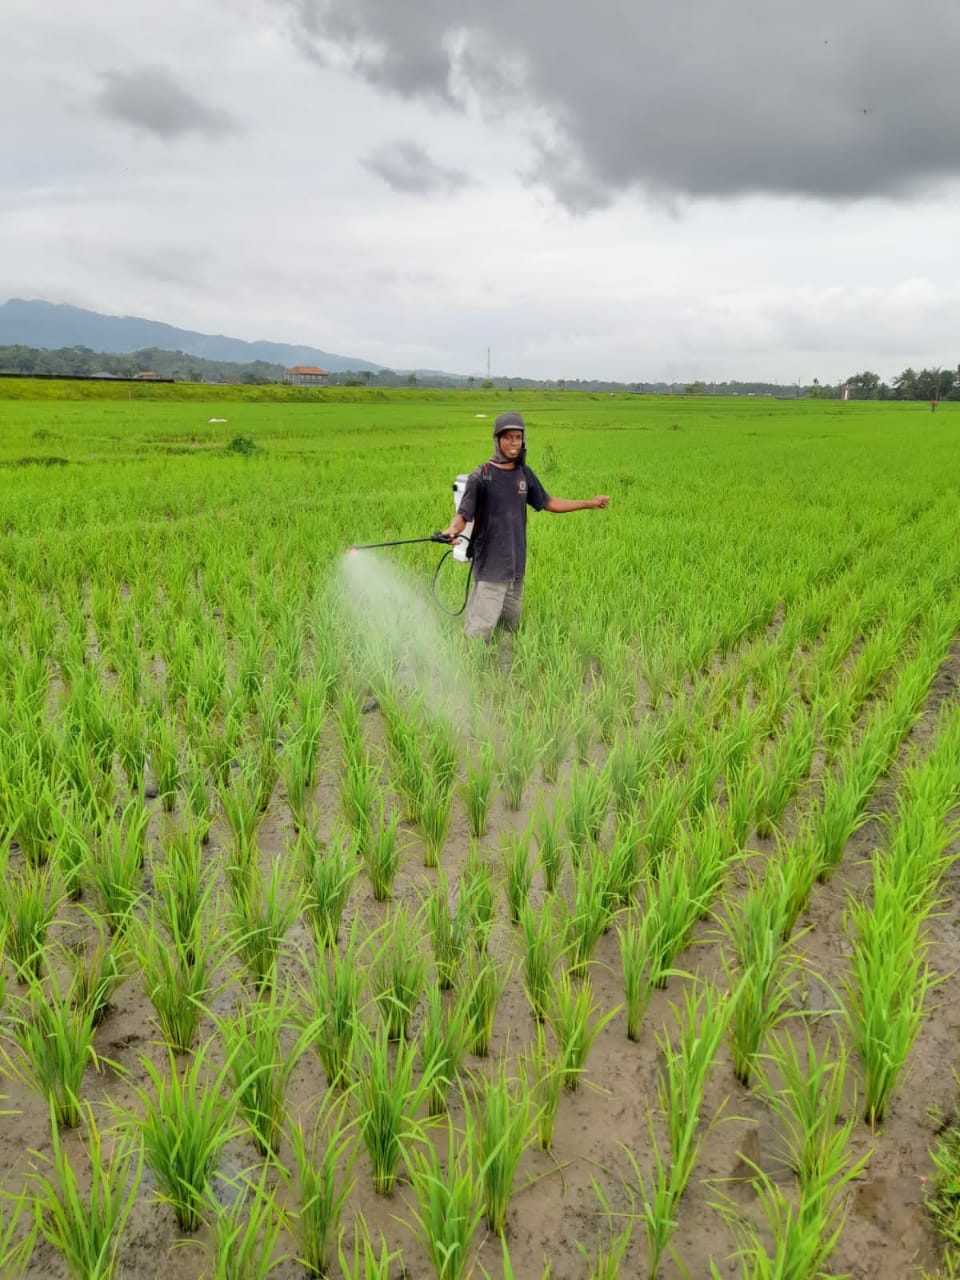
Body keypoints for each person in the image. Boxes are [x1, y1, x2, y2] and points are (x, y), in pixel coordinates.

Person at [440, 410, 609, 641]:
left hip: (516, 569)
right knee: (478, 633)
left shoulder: (523, 474)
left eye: (518, 437)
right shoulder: (482, 476)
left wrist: (589, 503)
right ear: (497, 440)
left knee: (508, 630)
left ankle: (504, 668)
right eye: (507, 437)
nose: (513, 443)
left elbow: (548, 503)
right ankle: (472, 670)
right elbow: (463, 515)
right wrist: (451, 530)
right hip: (490, 569)